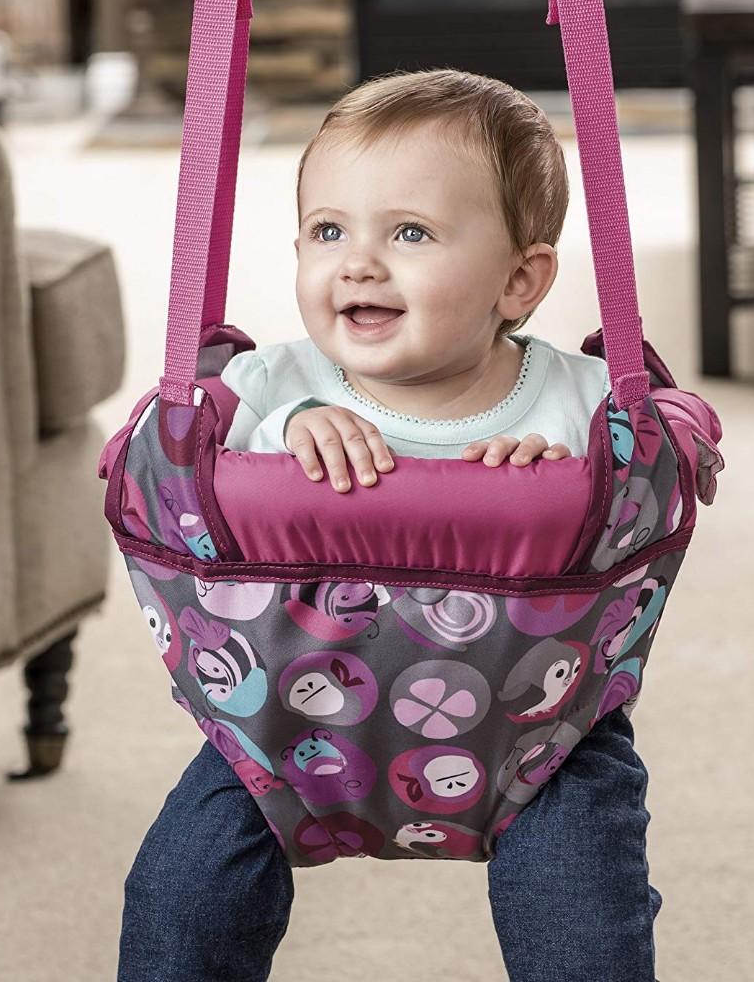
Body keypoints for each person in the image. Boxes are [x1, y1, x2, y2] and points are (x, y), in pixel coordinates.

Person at [117, 68, 662, 982]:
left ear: (519, 279)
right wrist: (293, 429)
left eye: (410, 232)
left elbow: (649, 458)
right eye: (328, 231)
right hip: (278, 722)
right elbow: (179, 449)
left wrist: (550, 466)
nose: (358, 263)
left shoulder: (579, 401)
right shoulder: (265, 390)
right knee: (181, 896)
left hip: (540, 732)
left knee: (585, 921)